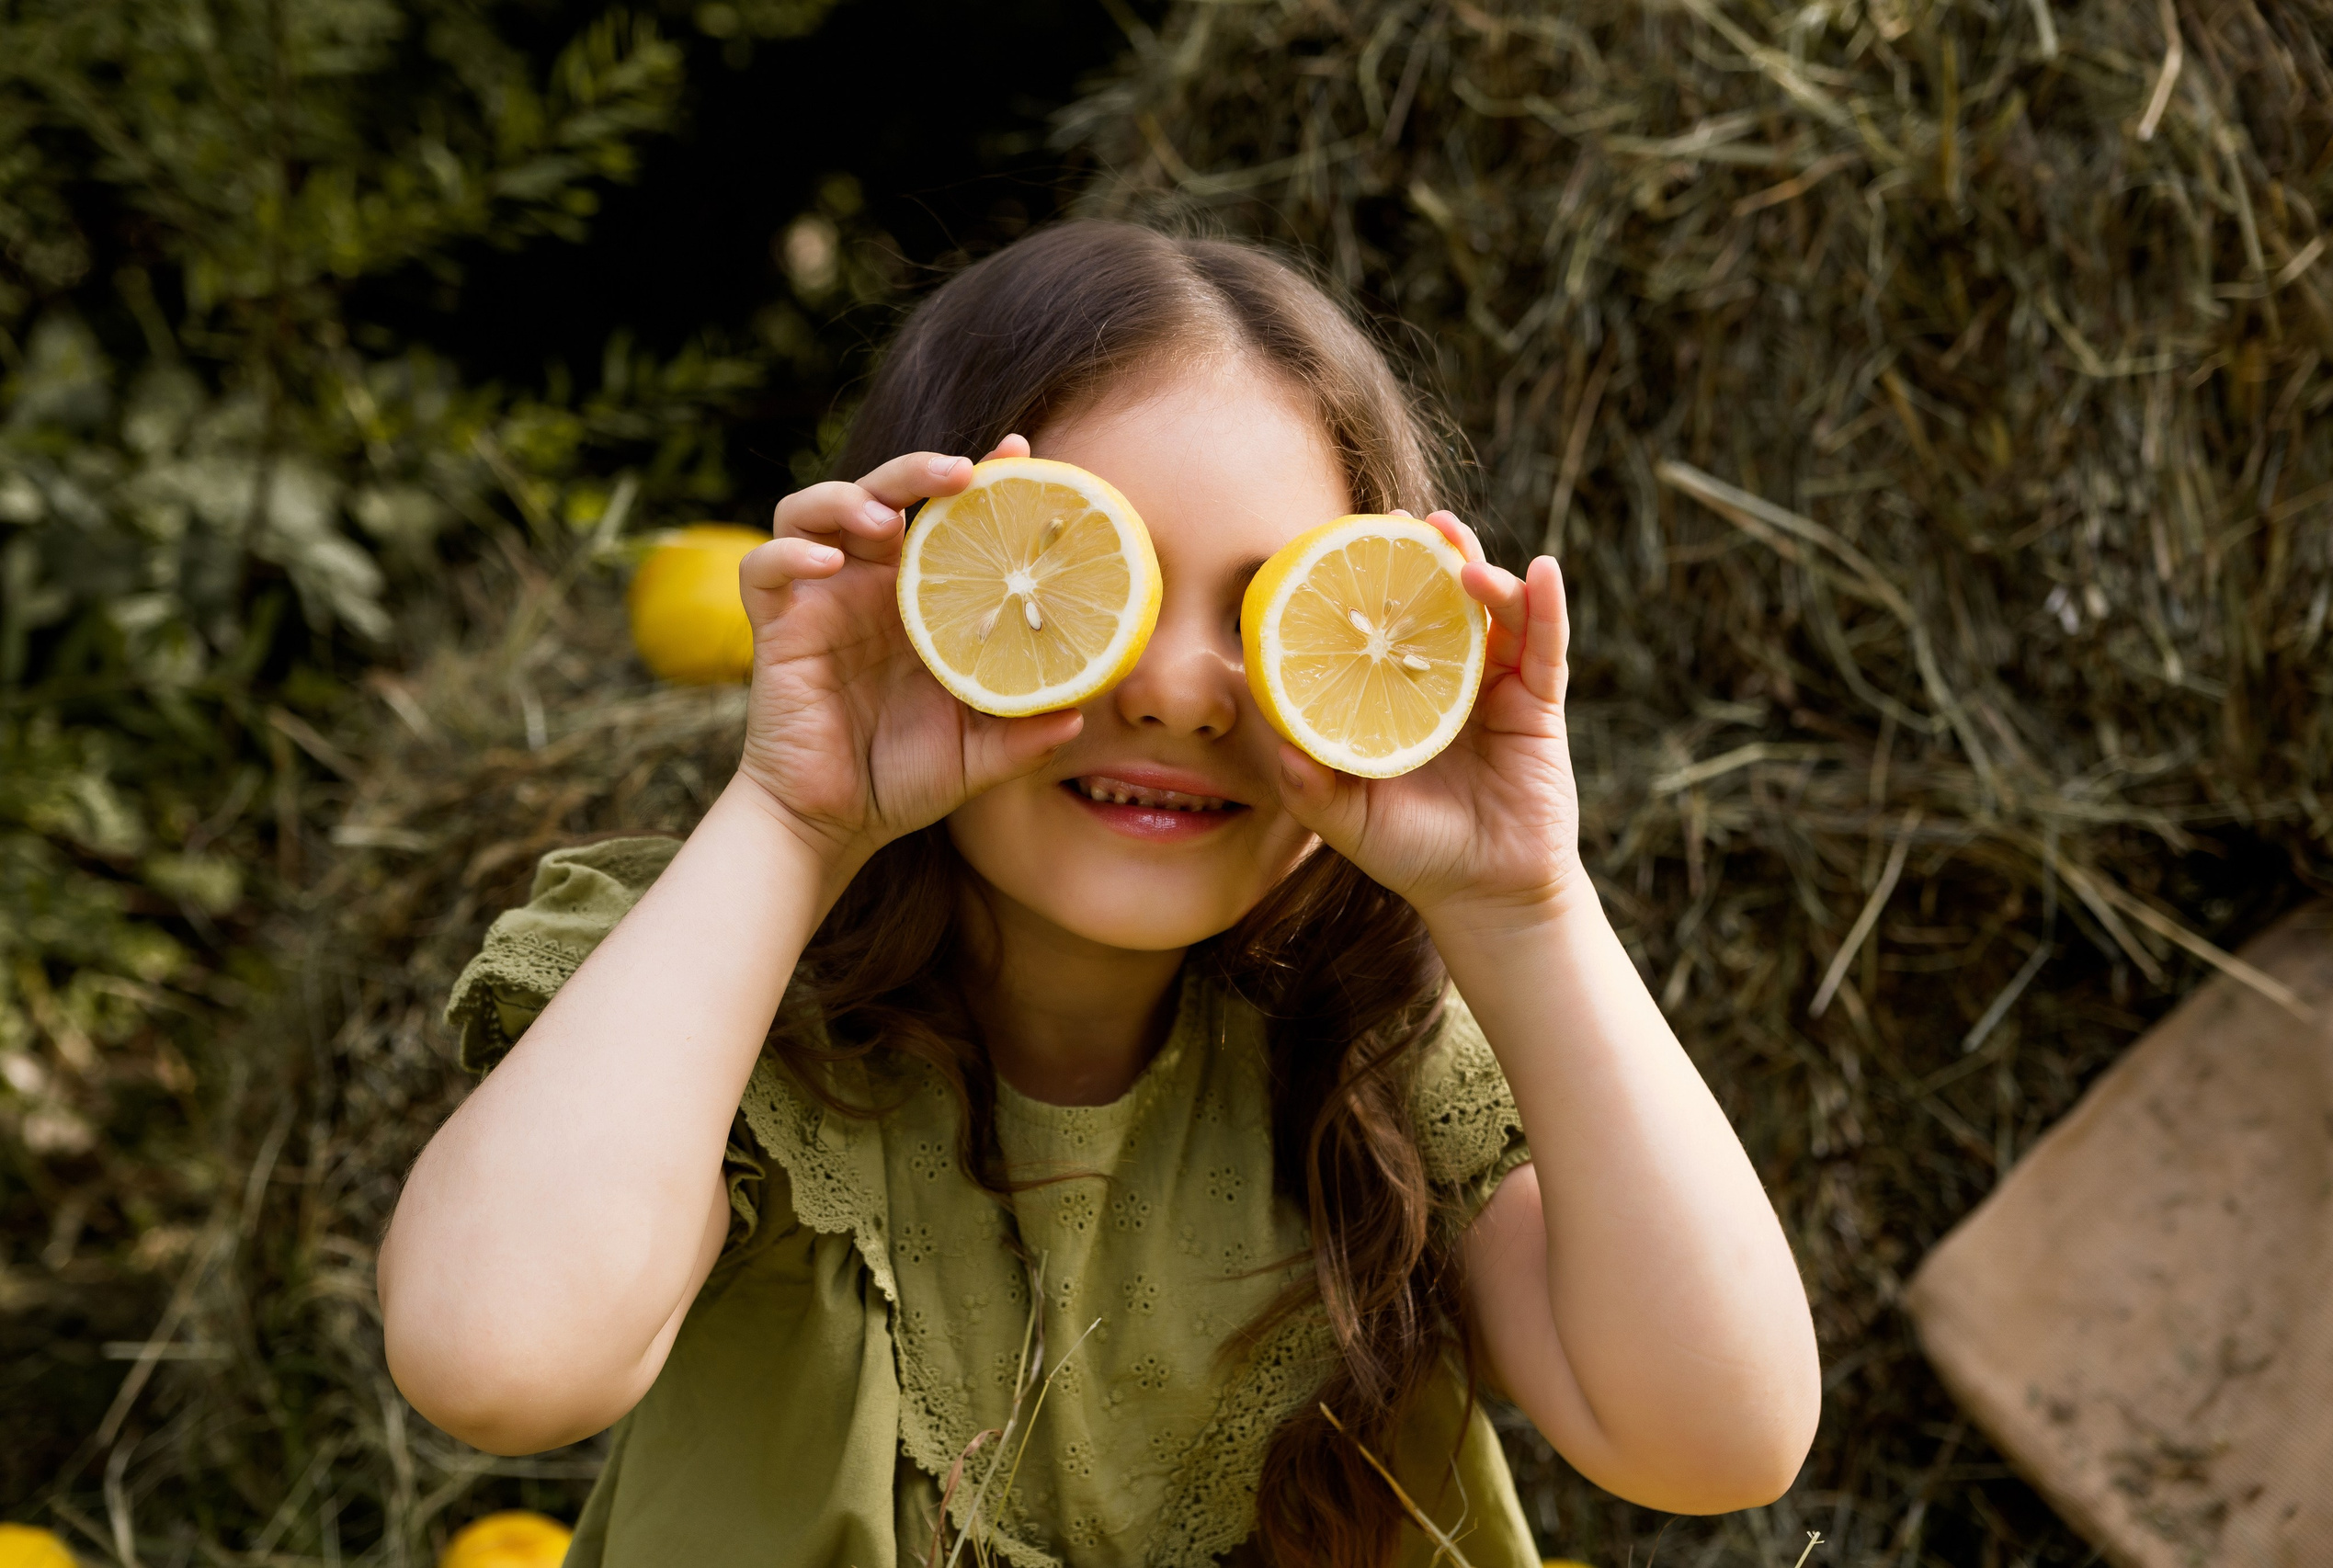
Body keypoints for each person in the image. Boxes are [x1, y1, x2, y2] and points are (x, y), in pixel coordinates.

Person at [376, 221, 1819, 1568]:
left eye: (1267, 608)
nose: (1180, 689)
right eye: (1078, 580)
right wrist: (791, 816)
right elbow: (493, 1358)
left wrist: (1527, 907)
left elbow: (1723, 1440)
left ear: (1381, 659)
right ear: (922, 587)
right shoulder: (720, 1017)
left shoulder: (1371, 1058)